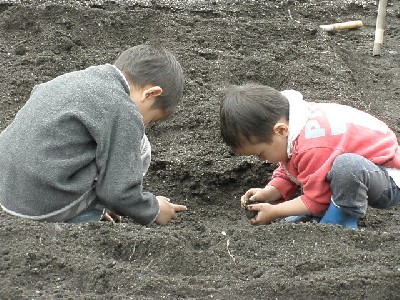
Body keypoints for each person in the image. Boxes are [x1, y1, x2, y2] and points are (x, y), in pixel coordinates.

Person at [0, 44, 187, 225]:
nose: (146, 124)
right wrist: (153, 209)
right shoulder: (123, 109)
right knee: (140, 145)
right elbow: (116, 192)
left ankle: (83, 206)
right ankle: (82, 217)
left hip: (7, 189)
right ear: (150, 93)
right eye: (151, 119)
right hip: (41, 204)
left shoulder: (77, 79)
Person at [219, 83, 400, 229]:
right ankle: (329, 210)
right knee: (339, 167)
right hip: (368, 169)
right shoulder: (293, 124)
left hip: (388, 178)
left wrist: (275, 211)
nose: (262, 160)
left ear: (281, 130)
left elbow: (317, 199)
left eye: (261, 154)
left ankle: (342, 219)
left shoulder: (311, 145)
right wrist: (269, 192)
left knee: (347, 167)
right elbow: (291, 167)